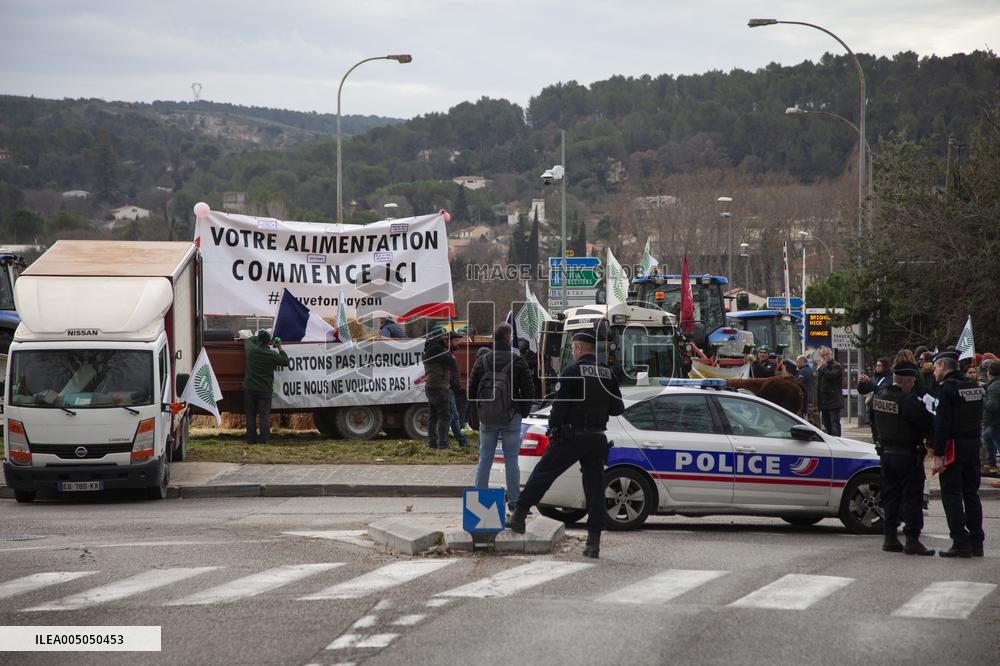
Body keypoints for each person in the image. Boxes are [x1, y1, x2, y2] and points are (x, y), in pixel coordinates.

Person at [507, 328, 624, 559]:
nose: (572, 351)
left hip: (572, 436)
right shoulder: (607, 374)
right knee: (594, 489)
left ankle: (519, 516)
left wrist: (554, 428)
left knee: (543, 473)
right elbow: (617, 408)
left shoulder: (572, 371)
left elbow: (559, 408)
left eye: (572, 347)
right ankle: (593, 543)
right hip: (597, 438)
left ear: (579, 349)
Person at [872, 361, 935, 555]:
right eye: (913, 380)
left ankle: (890, 538)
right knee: (912, 498)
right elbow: (927, 422)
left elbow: (873, 422)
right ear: (907, 381)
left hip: (886, 455)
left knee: (890, 497)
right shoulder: (908, 401)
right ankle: (912, 540)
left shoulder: (879, 397)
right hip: (908, 456)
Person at [469, 323, 534, 510]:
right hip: (511, 417)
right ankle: (514, 502)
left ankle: (478, 500)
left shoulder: (482, 361)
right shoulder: (517, 361)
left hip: (487, 417)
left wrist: (477, 413)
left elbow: (472, 389)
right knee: (511, 459)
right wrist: (523, 411)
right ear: (509, 338)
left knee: (485, 458)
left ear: (493, 339)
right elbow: (529, 390)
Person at [931, 353, 986, 557]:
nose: (934, 371)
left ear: (944, 366)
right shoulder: (973, 386)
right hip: (973, 445)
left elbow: (942, 424)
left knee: (952, 495)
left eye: (936, 367)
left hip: (954, 446)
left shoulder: (947, 388)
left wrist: (938, 454)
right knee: (971, 494)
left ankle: (960, 542)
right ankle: (977, 542)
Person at [242, 329, 289, 445]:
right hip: (264, 390)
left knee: (251, 415)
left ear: (258, 340)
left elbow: (248, 340)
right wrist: (279, 347)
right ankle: (264, 440)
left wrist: (256, 337)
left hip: (250, 388)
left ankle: (251, 440)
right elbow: (285, 361)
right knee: (264, 416)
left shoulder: (251, 350)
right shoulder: (271, 354)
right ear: (268, 342)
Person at [422, 326, 458, 451]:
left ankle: (432, 445)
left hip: (431, 387)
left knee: (433, 417)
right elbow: (451, 362)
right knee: (445, 416)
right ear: (438, 337)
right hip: (439, 387)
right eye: (444, 337)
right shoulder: (437, 350)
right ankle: (443, 446)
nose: (446, 339)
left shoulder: (429, 349)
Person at [859, 357, 893, 448]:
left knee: (881, 435)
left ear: (885, 367)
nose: (877, 367)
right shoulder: (875, 378)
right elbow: (863, 391)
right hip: (872, 410)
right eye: (876, 365)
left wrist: (869, 381)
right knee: (874, 434)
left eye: (879, 366)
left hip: (883, 410)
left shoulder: (889, 379)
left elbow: (881, 390)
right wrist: (862, 383)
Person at [446, 332, 469, 448]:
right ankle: (460, 441)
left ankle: (460, 441)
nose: (458, 343)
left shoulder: (450, 354)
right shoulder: (447, 355)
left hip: (451, 388)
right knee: (452, 415)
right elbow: (447, 373)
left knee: (451, 416)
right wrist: (453, 383)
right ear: (449, 341)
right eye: (455, 341)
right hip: (448, 389)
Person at [816, 347, 844, 437]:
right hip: (824, 402)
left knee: (834, 425)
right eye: (822, 355)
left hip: (833, 401)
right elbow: (818, 385)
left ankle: (837, 443)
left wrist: (823, 367)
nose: (825, 357)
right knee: (827, 426)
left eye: (827, 355)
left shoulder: (836, 366)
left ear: (831, 355)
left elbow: (830, 376)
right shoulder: (822, 368)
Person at [981, 362, 1000, 475]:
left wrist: (982, 396)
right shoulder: (994, 384)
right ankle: (992, 463)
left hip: (996, 421)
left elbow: (992, 406)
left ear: (989, 372)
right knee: (987, 436)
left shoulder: (994, 387)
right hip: (995, 421)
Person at [795, 355, 818, 426]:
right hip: (810, 398)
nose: (796, 363)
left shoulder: (803, 372)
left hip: (806, 399)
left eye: (797, 362)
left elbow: (798, 384)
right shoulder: (809, 370)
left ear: (802, 361)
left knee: (806, 419)